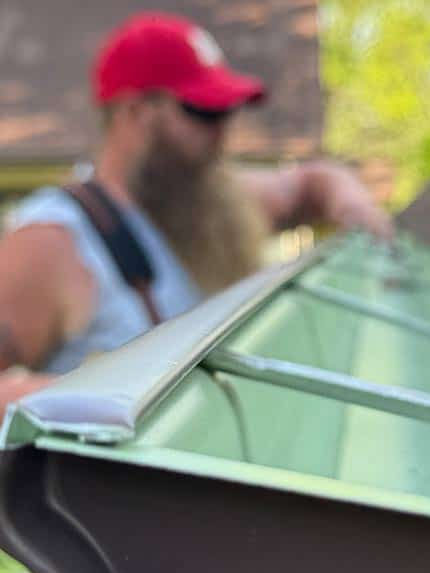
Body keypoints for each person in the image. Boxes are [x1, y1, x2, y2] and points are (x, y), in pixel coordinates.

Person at [0, 12, 393, 417]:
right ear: (134, 113)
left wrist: (354, 206)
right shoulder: (53, 241)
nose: (223, 133)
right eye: (203, 112)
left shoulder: (207, 204)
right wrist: (99, 397)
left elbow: (314, 182)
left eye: (226, 112)